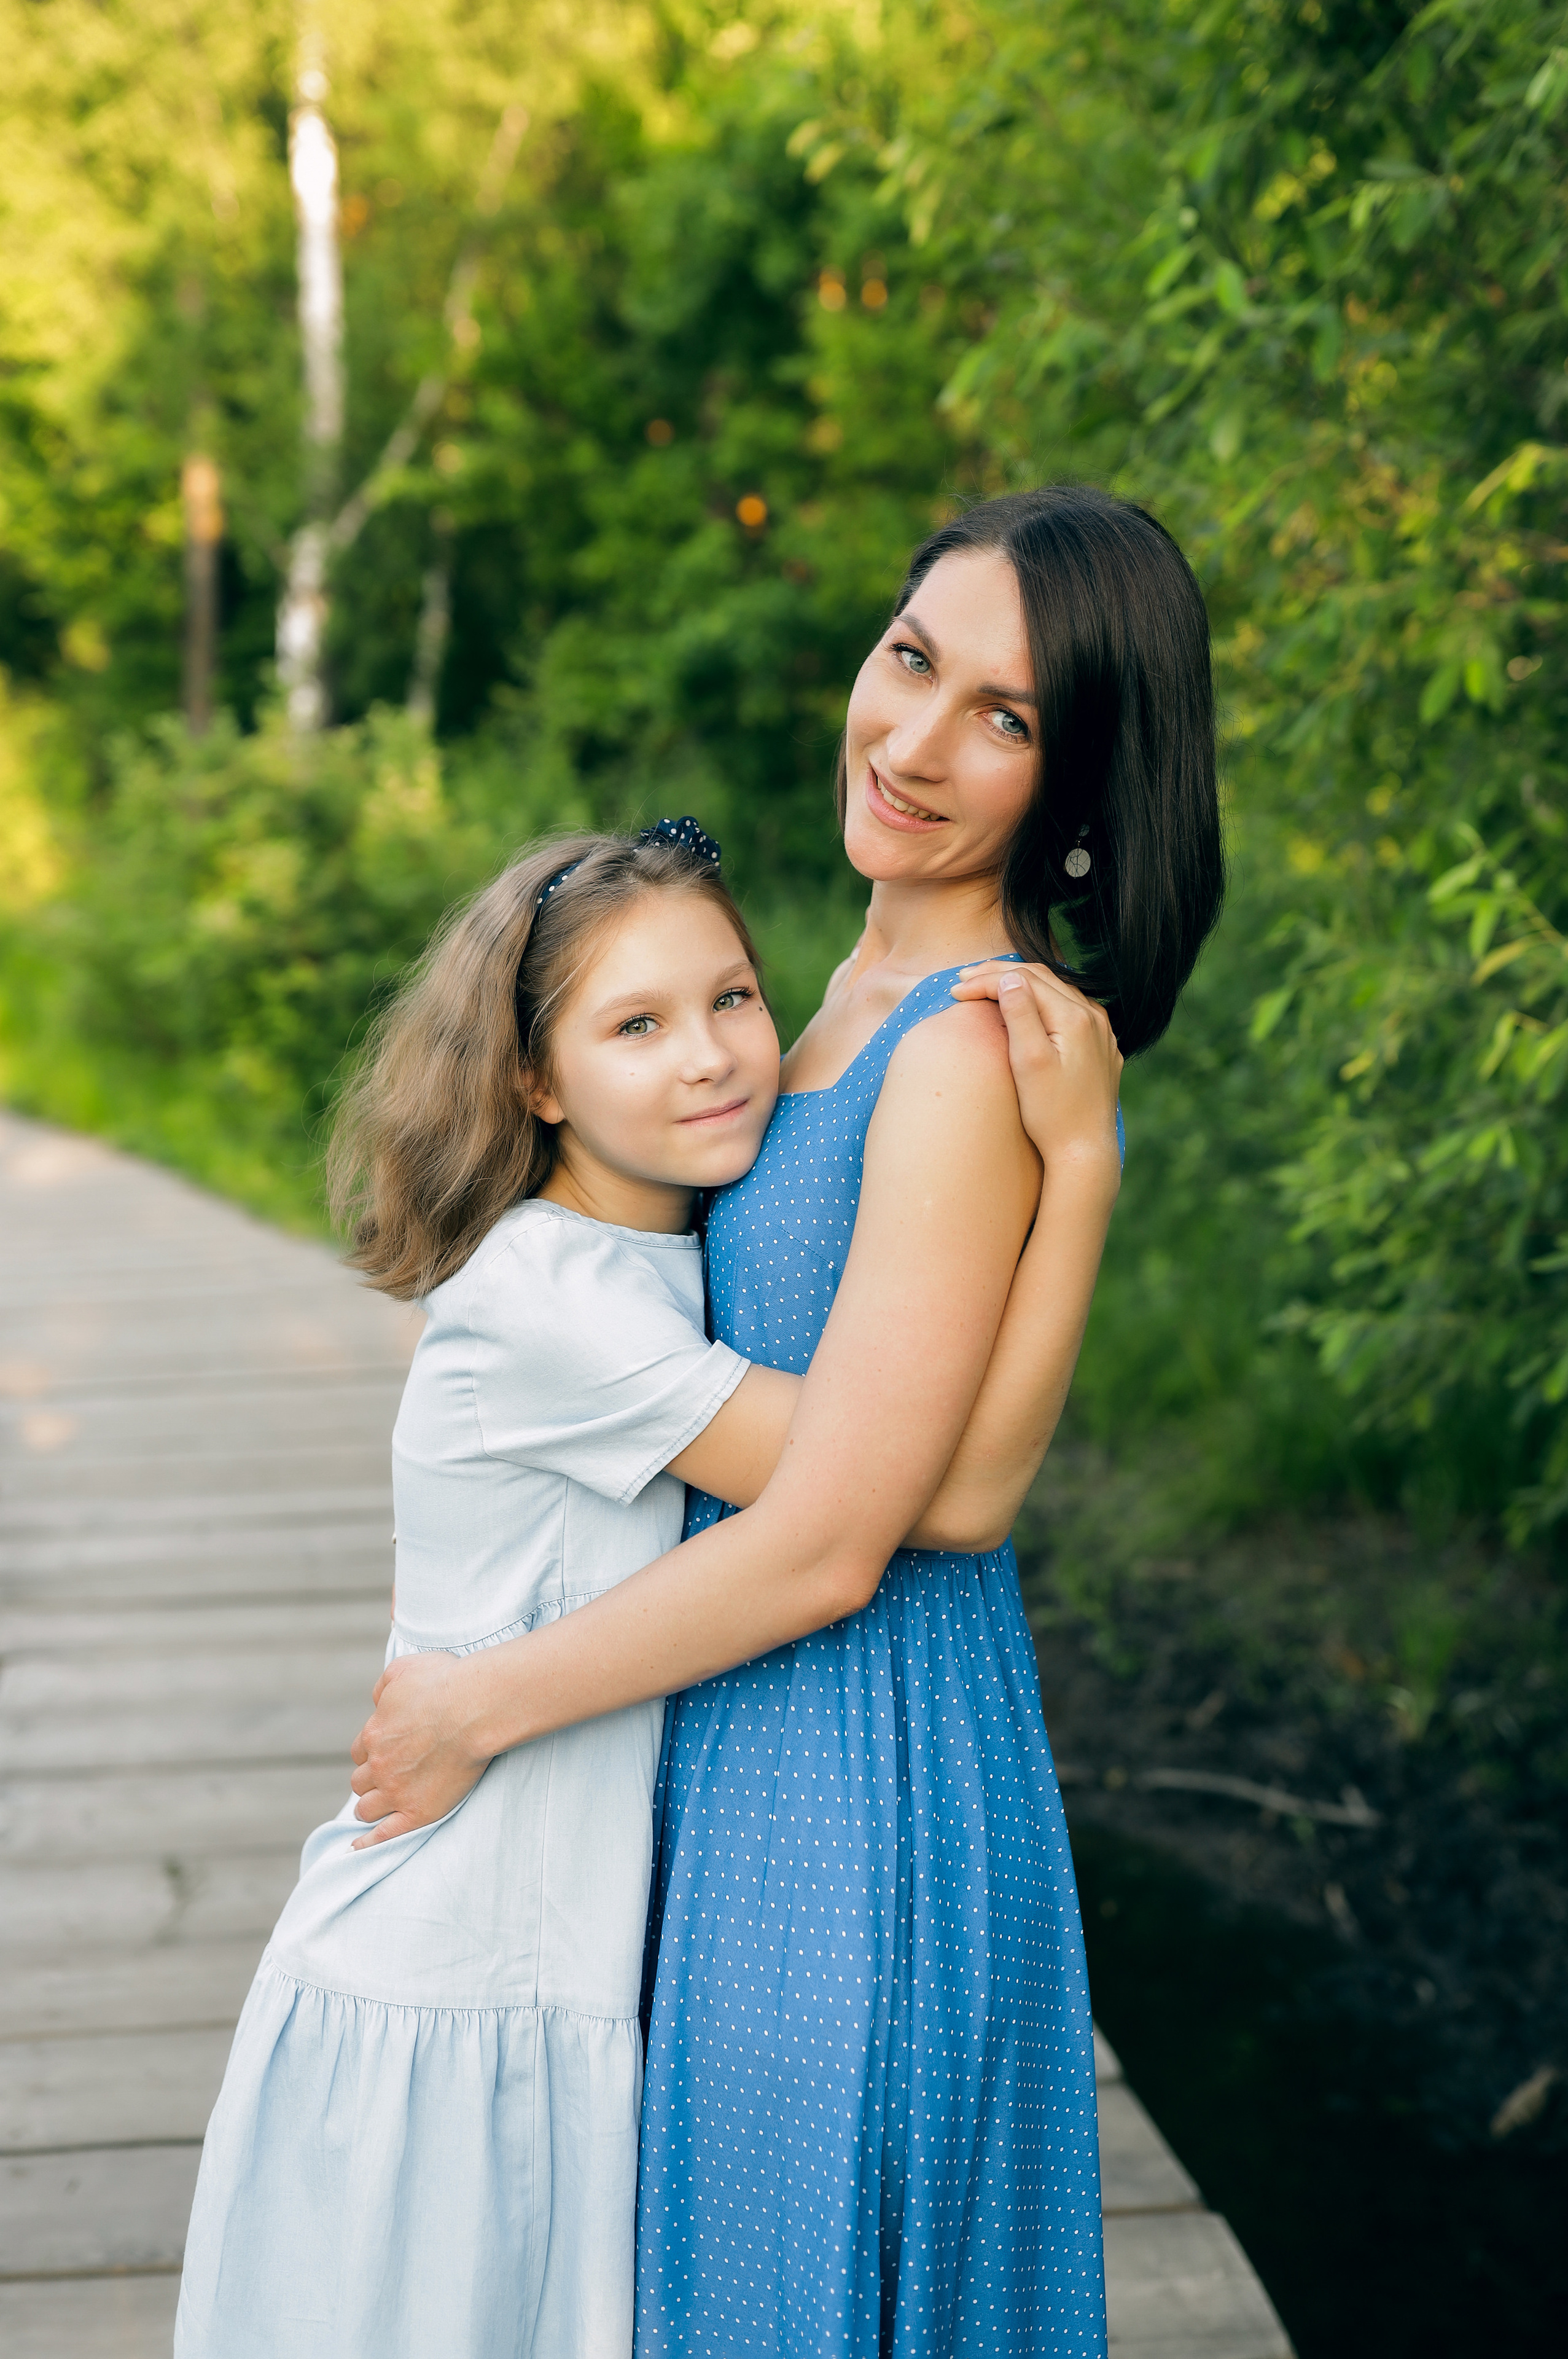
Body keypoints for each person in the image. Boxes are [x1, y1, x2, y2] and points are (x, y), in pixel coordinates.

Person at [346, 484, 1223, 2357]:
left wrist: (476, 1704)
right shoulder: (825, 1003)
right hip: (757, 1740)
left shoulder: (965, 1043)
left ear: (1078, 783)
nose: (913, 740)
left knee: (796, 2288)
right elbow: (918, 1474)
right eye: (912, 659)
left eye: (1005, 717)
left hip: (854, 1761)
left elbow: (872, 1531)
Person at [173, 812, 1115, 2359]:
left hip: (566, 1978)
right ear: (536, 1084)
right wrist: (1075, 1170)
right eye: (635, 1026)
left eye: (731, 998)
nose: (709, 1057)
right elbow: (930, 1494)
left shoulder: (672, 1261)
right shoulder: (555, 1298)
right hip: (452, 1984)